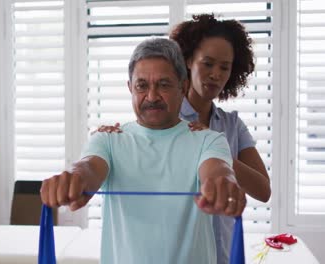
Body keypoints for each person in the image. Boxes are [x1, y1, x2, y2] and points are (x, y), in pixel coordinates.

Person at [41, 38, 246, 263]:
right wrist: (74, 178)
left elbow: (218, 170)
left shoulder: (209, 140)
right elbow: (88, 167)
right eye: (142, 86)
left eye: (164, 84)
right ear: (130, 87)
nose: (152, 96)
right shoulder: (108, 140)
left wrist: (223, 184)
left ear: (183, 86)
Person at [95, 14, 271, 264]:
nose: (215, 75)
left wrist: (214, 149)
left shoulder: (231, 125)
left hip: (223, 251)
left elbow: (263, 191)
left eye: (225, 67)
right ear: (188, 62)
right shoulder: (161, 115)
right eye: (207, 64)